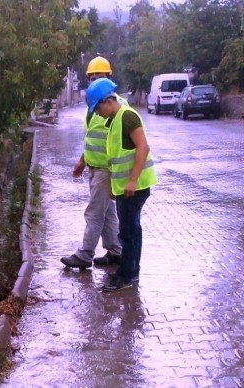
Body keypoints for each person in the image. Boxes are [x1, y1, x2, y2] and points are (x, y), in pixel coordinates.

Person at [84, 78, 158, 291]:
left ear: (108, 101)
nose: (96, 113)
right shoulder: (116, 118)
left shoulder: (127, 116)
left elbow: (142, 147)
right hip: (127, 188)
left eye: (97, 108)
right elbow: (118, 157)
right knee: (130, 230)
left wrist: (133, 180)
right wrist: (117, 189)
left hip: (136, 187)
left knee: (128, 232)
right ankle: (130, 272)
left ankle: (127, 275)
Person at [60, 56, 125, 269]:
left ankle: (85, 255)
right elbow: (91, 138)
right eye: (92, 78)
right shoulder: (92, 106)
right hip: (94, 167)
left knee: (94, 212)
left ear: (109, 78)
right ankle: (115, 252)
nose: (96, 81)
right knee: (107, 212)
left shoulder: (117, 106)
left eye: (100, 77)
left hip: (107, 169)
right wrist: (82, 161)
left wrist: (119, 173)